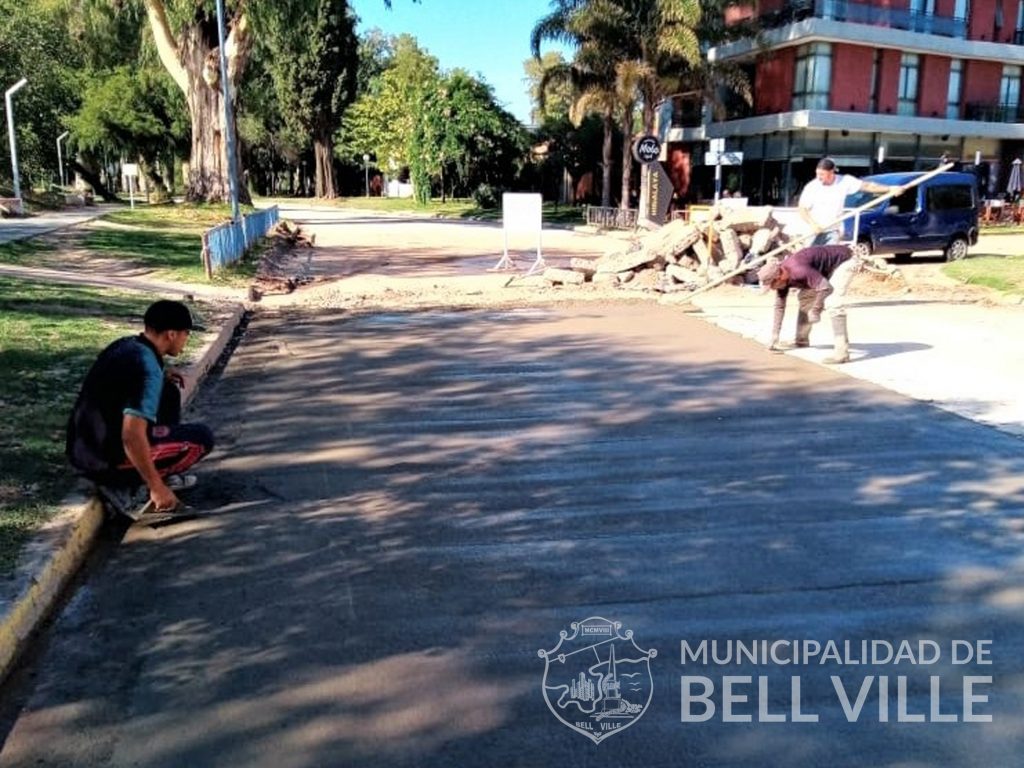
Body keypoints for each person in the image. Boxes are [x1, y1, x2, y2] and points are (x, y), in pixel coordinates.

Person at [66, 300, 215, 518]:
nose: (187, 339)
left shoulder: (128, 346)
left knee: (169, 392)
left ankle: (140, 474)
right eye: (186, 333)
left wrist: (162, 377)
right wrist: (156, 487)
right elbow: (131, 435)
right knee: (200, 439)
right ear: (171, 334)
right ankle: (130, 486)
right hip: (105, 460)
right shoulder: (148, 371)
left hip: (84, 450)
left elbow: (120, 384)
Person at [757, 244, 860, 364]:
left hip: (845, 260)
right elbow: (779, 306)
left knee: (833, 302)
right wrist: (775, 335)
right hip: (823, 269)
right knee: (805, 298)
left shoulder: (798, 270)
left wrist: (816, 309)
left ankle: (842, 353)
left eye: (772, 286)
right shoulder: (781, 277)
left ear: (780, 277)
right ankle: (801, 340)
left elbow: (826, 287)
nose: (773, 289)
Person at [798, 158, 902, 245]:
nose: (819, 178)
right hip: (813, 231)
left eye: (822, 175)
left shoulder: (845, 181)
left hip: (833, 230)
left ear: (831, 173)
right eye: (817, 174)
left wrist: (890, 188)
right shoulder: (812, 187)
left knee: (829, 259)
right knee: (808, 258)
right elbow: (802, 209)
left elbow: (868, 186)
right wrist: (813, 224)